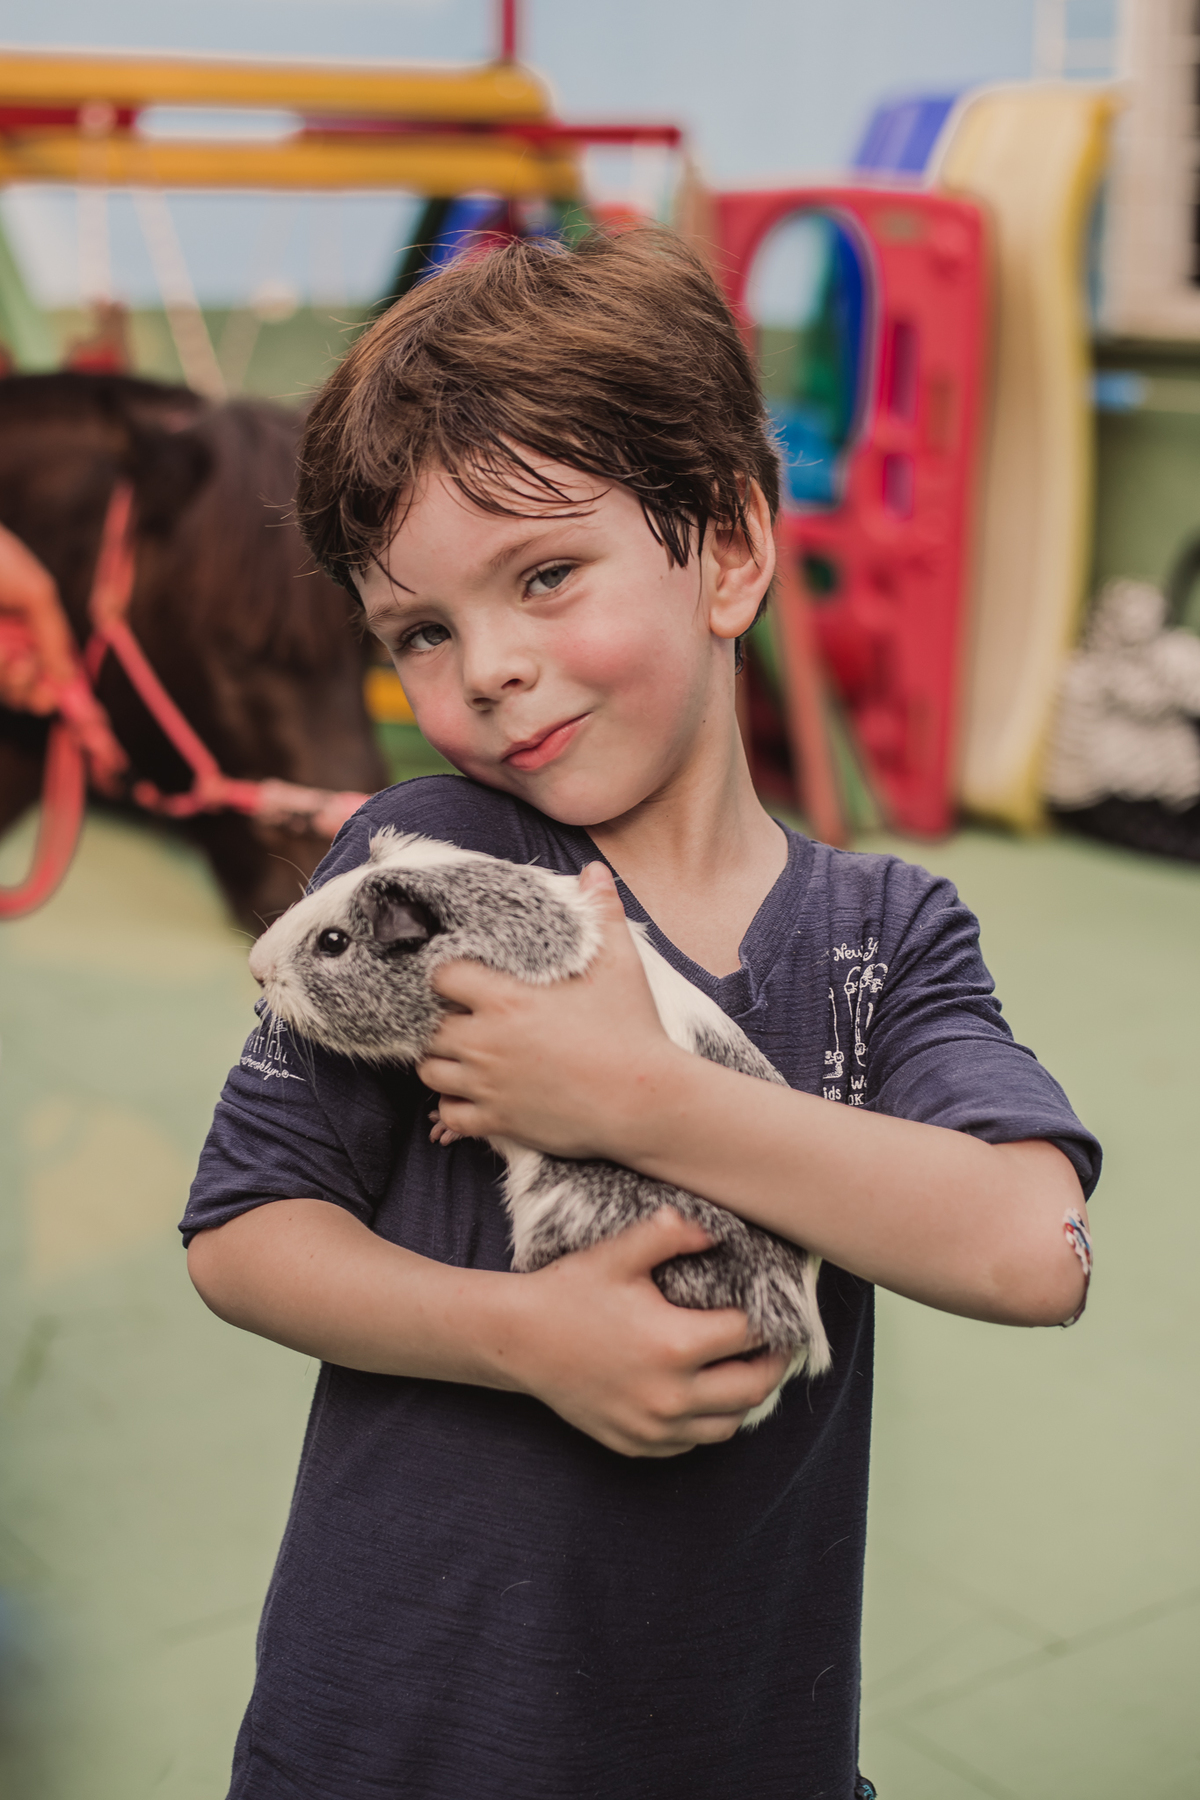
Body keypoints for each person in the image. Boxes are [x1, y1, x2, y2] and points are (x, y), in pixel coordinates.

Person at [182, 229, 1100, 1800]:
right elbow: (242, 1230)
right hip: (384, 1748)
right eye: (422, 632)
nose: (489, 668)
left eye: (545, 576)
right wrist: (520, 1337)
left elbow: (1032, 1252)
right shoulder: (421, 861)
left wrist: (638, 1096)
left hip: (736, 1750)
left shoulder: (883, 936)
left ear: (729, 552)